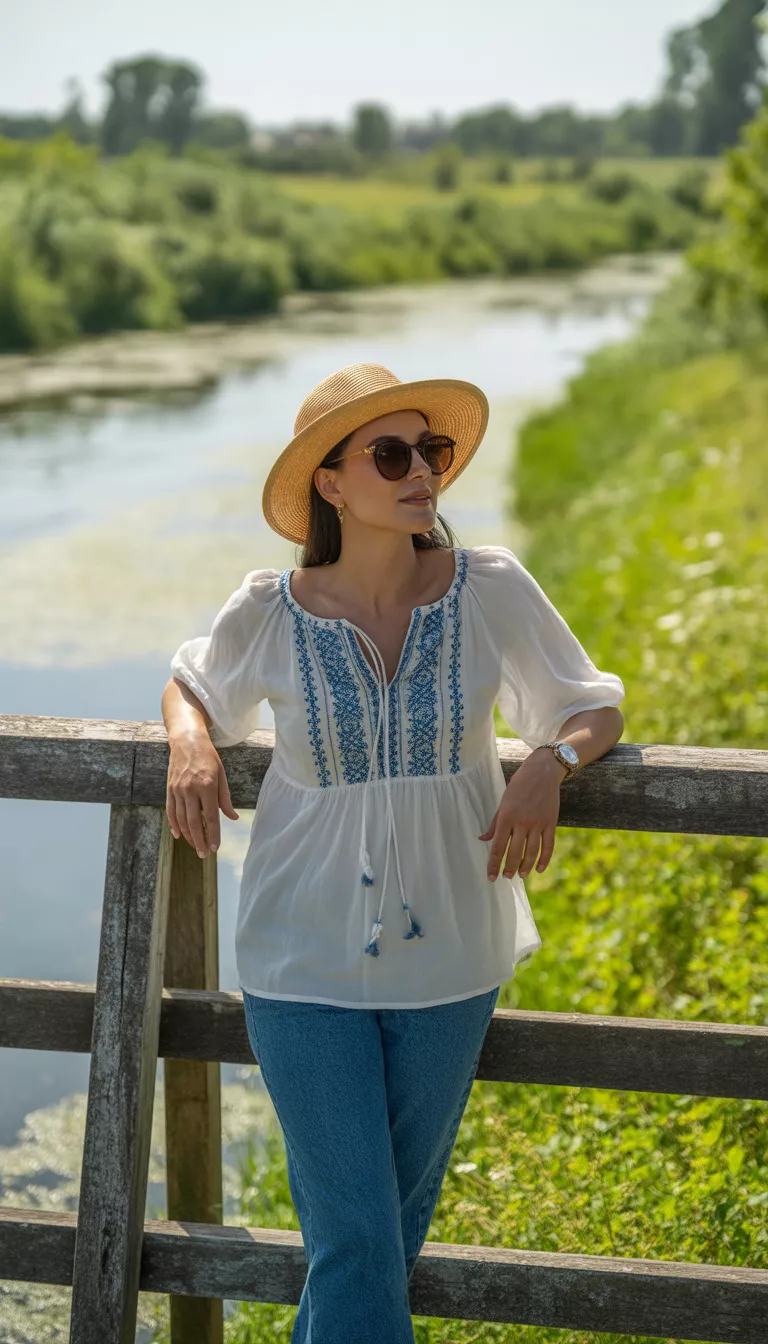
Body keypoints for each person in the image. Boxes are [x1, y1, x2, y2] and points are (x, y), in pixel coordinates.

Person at [161, 361, 625, 1342]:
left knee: (376, 1245)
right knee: (359, 1243)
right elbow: (193, 680)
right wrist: (193, 740)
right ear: (331, 483)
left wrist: (550, 759)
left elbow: (593, 703)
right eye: (391, 453)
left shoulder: (490, 586)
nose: (422, 471)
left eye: (432, 450)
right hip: (301, 961)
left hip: (453, 960)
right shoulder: (268, 607)